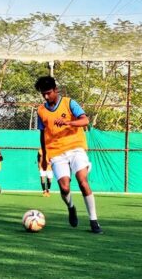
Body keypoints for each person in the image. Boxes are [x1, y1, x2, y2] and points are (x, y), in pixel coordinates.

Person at [35, 76, 103, 234]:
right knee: (65, 188)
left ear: (56, 90)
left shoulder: (69, 103)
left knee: (82, 181)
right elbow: (42, 134)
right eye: (43, 94)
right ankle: (71, 208)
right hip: (56, 152)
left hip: (76, 148)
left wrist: (68, 123)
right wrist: (44, 157)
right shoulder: (41, 111)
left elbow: (85, 121)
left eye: (48, 93)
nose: (46, 96)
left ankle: (94, 220)